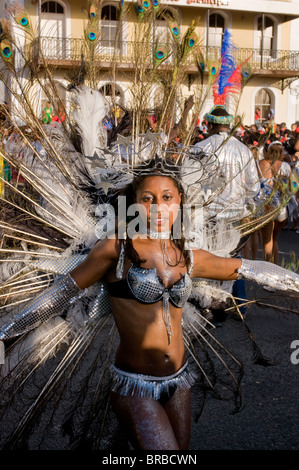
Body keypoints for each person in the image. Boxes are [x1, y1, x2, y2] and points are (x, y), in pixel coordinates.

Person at [2, 153, 299, 450]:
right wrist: (5, 333)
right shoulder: (117, 248)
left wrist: (295, 283)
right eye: (147, 198)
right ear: (134, 203)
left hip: (179, 382)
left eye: (167, 197)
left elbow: (247, 267)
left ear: (180, 200)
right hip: (135, 385)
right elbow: (62, 293)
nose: (158, 207)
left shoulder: (187, 256)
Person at [258, 140, 294, 264]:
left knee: (266, 240)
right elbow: (290, 187)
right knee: (275, 239)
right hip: (282, 206)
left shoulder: (261, 163)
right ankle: (276, 266)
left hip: (266, 205)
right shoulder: (285, 166)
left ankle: (267, 266)